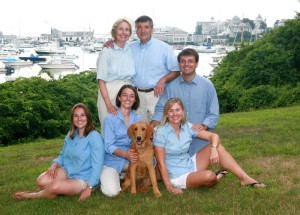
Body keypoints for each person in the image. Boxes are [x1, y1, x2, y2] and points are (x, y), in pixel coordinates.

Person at [153, 98, 266, 195]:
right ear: (166, 114)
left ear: (182, 111)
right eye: (171, 111)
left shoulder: (187, 126)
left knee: (217, 146)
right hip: (177, 175)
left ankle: (244, 178)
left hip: (190, 164)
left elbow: (214, 136)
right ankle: (216, 177)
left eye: (177, 110)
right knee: (209, 176)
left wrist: (213, 149)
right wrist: (169, 187)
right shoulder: (160, 132)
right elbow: (161, 163)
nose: (175, 114)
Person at [13, 103, 105, 201]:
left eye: (82, 115)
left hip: (83, 178)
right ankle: (48, 191)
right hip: (68, 170)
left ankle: (33, 195)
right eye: (75, 116)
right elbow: (63, 154)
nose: (79, 119)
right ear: (72, 119)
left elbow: (98, 164)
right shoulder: (70, 134)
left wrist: (89, 188)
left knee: (54, 187)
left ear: (88, 117)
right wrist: (55, 164)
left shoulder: (95, 137)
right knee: (41, 180)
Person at [104, 15, 180, 122]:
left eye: (146, 27)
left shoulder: (164, 48)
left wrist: (163, 80)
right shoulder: (130, 47)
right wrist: (110, 43)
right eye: (139, 27)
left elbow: (176, 71)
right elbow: (117, 49)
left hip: (156, 95)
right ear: (136, 30)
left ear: (152, 29)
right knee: (140, 130)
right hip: (136, 96)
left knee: (159, 128)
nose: (142, 30)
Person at [151, 48, 219, 156]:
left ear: (196, 64)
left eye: (190, 61)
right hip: (175, 140)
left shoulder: (207, 85)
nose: (186, 64)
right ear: (179, 64)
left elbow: (213, 113)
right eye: (183, 61)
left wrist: (204, 126)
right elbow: (161, 108)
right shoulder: (171, 86)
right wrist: (154, 124)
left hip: (199, 140)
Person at [100, 84, 141, 197]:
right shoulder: (110, 118)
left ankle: (123, 176)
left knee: (150, 163)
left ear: (135, 99)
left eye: (132, 96)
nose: (128, 99)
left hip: (131, 159)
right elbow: (108, 146)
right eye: (125, 95)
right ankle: (108, 176)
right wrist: (124, 154)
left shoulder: (137, 118)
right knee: (111, 192)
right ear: (119, 98)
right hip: (113, 160)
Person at [96, 18, 135, 130]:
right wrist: (108, 104)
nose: (124, 32)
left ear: (130, 33)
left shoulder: (131, 49)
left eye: (127, 30)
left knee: (127, 129)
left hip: (128, 93)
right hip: (110, 93)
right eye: (120, 29)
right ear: (114, 31)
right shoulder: (107, 51)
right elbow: (101, 80)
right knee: (109, 129)